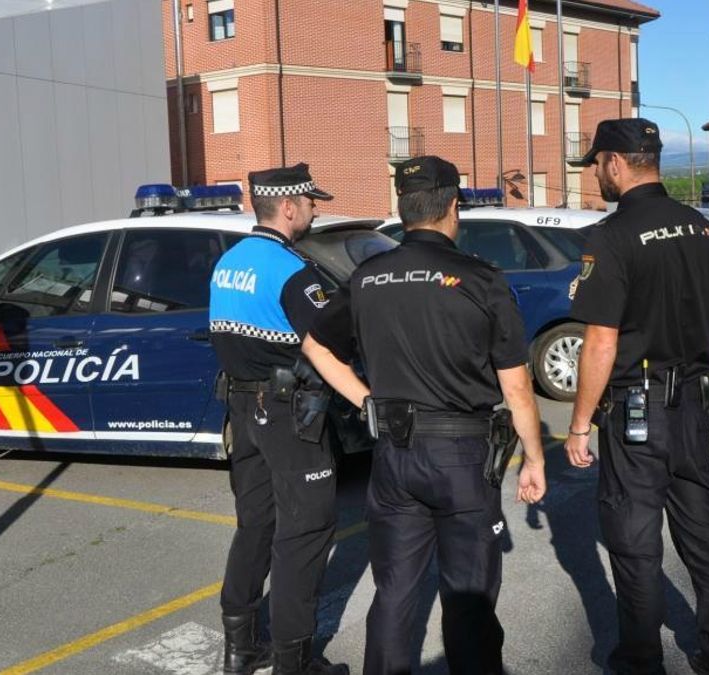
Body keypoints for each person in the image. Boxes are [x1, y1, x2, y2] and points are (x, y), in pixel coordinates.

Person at [302, 156, 547, 675]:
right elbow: (517, 387)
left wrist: (367, 400)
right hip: (463, 457)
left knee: (394, 592)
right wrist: (534, 458)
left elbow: (316, 346)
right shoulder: (481, 278)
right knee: (469, 597)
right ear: (453, 206)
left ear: (403, 208)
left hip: (394, 454)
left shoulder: (367, 277)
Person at [563, 119, 709, 675]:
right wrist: (701, 381)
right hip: (691, 406)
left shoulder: (611, 236)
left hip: (636, 412)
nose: (596, 174)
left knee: (635, 546)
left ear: (617, 163)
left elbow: (601, 340)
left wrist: (578, 425)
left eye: (597, 164)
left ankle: (641, 661)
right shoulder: (699, 227)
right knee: (705, 538)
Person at [208, 164, 347, 675]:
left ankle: (241, 647)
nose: (315, 211)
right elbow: (328, 347)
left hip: (243, 409)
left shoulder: (228, 262)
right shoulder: (292, 270)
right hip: (288, 414)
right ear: (288, 207)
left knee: (256, 524)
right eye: (311, 202)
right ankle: (295, 660)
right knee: (306, 531)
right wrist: (368, 398)